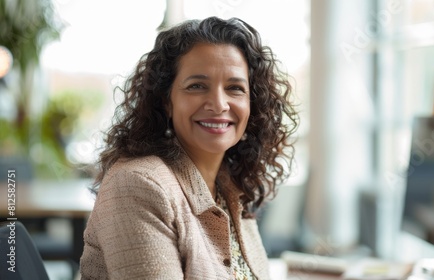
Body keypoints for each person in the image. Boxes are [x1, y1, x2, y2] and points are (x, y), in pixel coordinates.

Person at [80, 16, 298, 280]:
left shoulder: (230, 186)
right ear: (166, 101)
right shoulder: (139, 184)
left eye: (234, 88)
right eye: (197, 86)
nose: (219, 104)